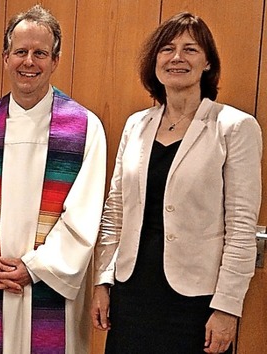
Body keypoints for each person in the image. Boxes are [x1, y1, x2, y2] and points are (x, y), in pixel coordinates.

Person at [91, 12, 262, 354]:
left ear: (208, 63)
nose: (177, 57)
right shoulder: (136, 125)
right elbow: (115, 211)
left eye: (191, 49)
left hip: (196, 302)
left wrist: (228, 306)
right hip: (132, 292)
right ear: (155, 62)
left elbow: (241, 226)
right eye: (167, 49)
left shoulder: (234, 127)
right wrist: (103, 281)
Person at [0, 5, 107, 354]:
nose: (29, 62)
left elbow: (82, 216)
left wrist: (35, 268)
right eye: (20, 52)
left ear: (55, 60)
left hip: (49, 289)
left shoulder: (85, 128)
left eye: (40, 53)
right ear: (6, 57)